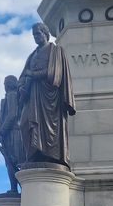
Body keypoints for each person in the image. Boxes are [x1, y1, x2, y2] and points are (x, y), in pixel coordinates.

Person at [18, 22, 76, 167]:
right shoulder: (32, 55)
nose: (36, 37)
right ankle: (33, 153)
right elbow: (23, 75)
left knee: (49, 130)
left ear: (45, 33)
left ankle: (50, 156)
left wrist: (33, 74)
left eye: (38, 34)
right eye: (33, 35)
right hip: (32, 96)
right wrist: (21, 85)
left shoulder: (55, 51)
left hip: (49, 97)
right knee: (25, 123)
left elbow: (54, 74)